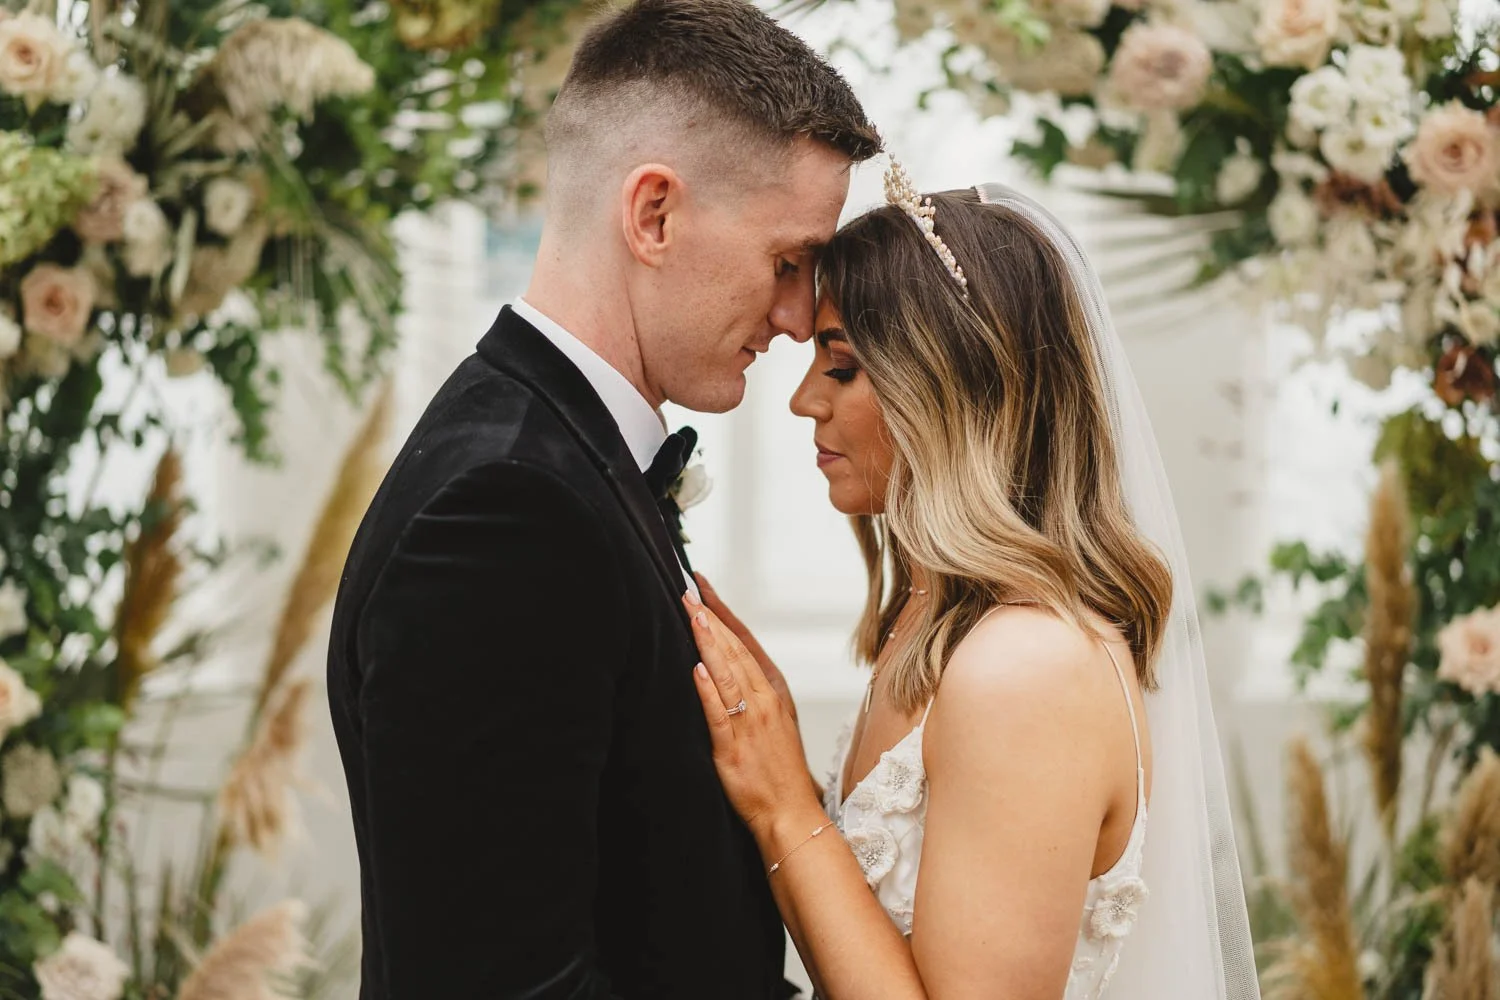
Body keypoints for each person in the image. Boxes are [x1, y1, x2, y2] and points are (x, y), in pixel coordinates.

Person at [324, 0, 880, 995]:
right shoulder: (504, 511)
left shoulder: (559, 459)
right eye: (787, 261)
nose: (800, 317)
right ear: (654, 214)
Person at [684, 167, 1261, 1000]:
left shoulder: (1027, 668)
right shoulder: (934, 620)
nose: (804, 401)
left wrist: (785, 807)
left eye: (840, 368)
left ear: (953, 388)